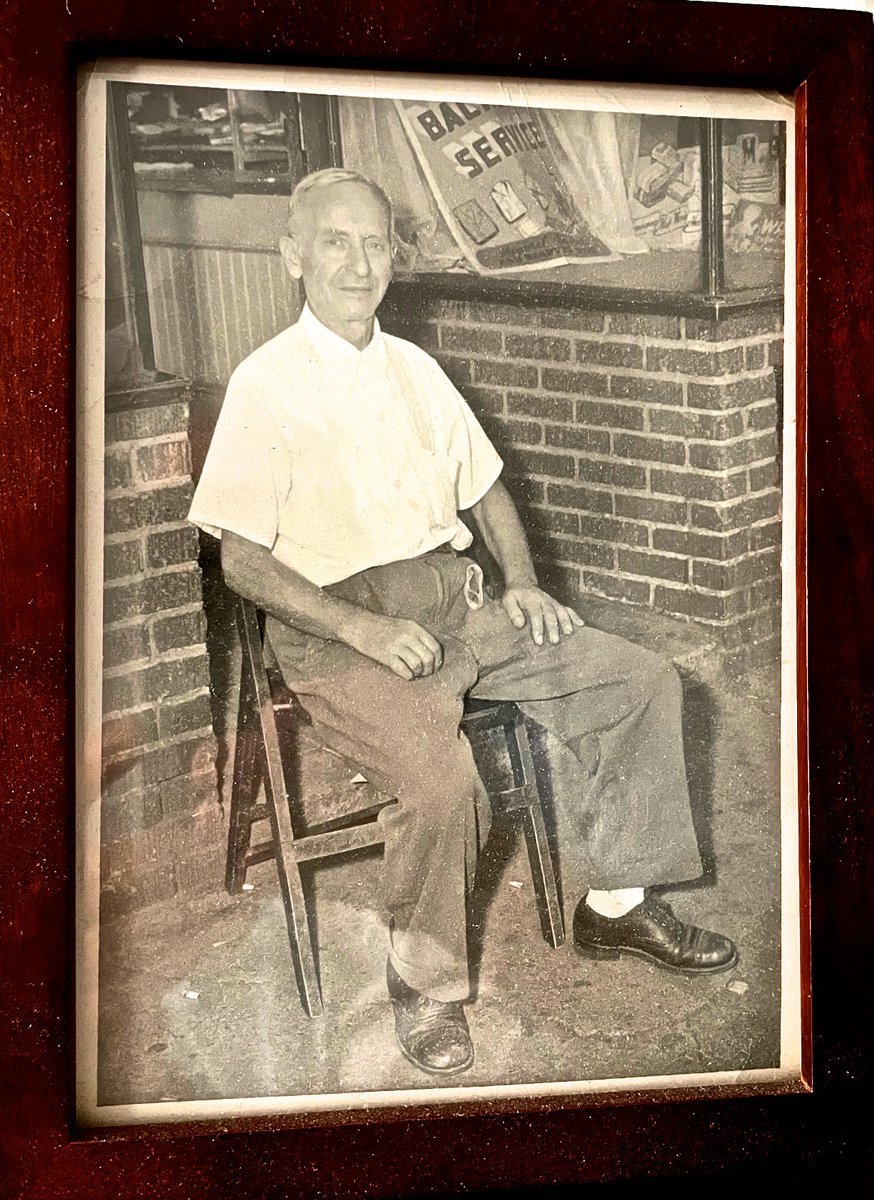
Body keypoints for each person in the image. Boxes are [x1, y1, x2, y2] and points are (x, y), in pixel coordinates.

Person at [188, 168, 739, 1079]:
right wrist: (359, 632)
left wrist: (521, 581)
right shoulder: (265, 384)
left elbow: (487, 489)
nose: (359, 263)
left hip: (456, 603)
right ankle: (426, 988)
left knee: (640, 683)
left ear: (393, 257)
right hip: (336, 628)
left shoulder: (417, 369)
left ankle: (619, 904)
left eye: (375, 242)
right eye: (336, 241)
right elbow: (240, 561)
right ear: (293, 254)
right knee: (447, 786)